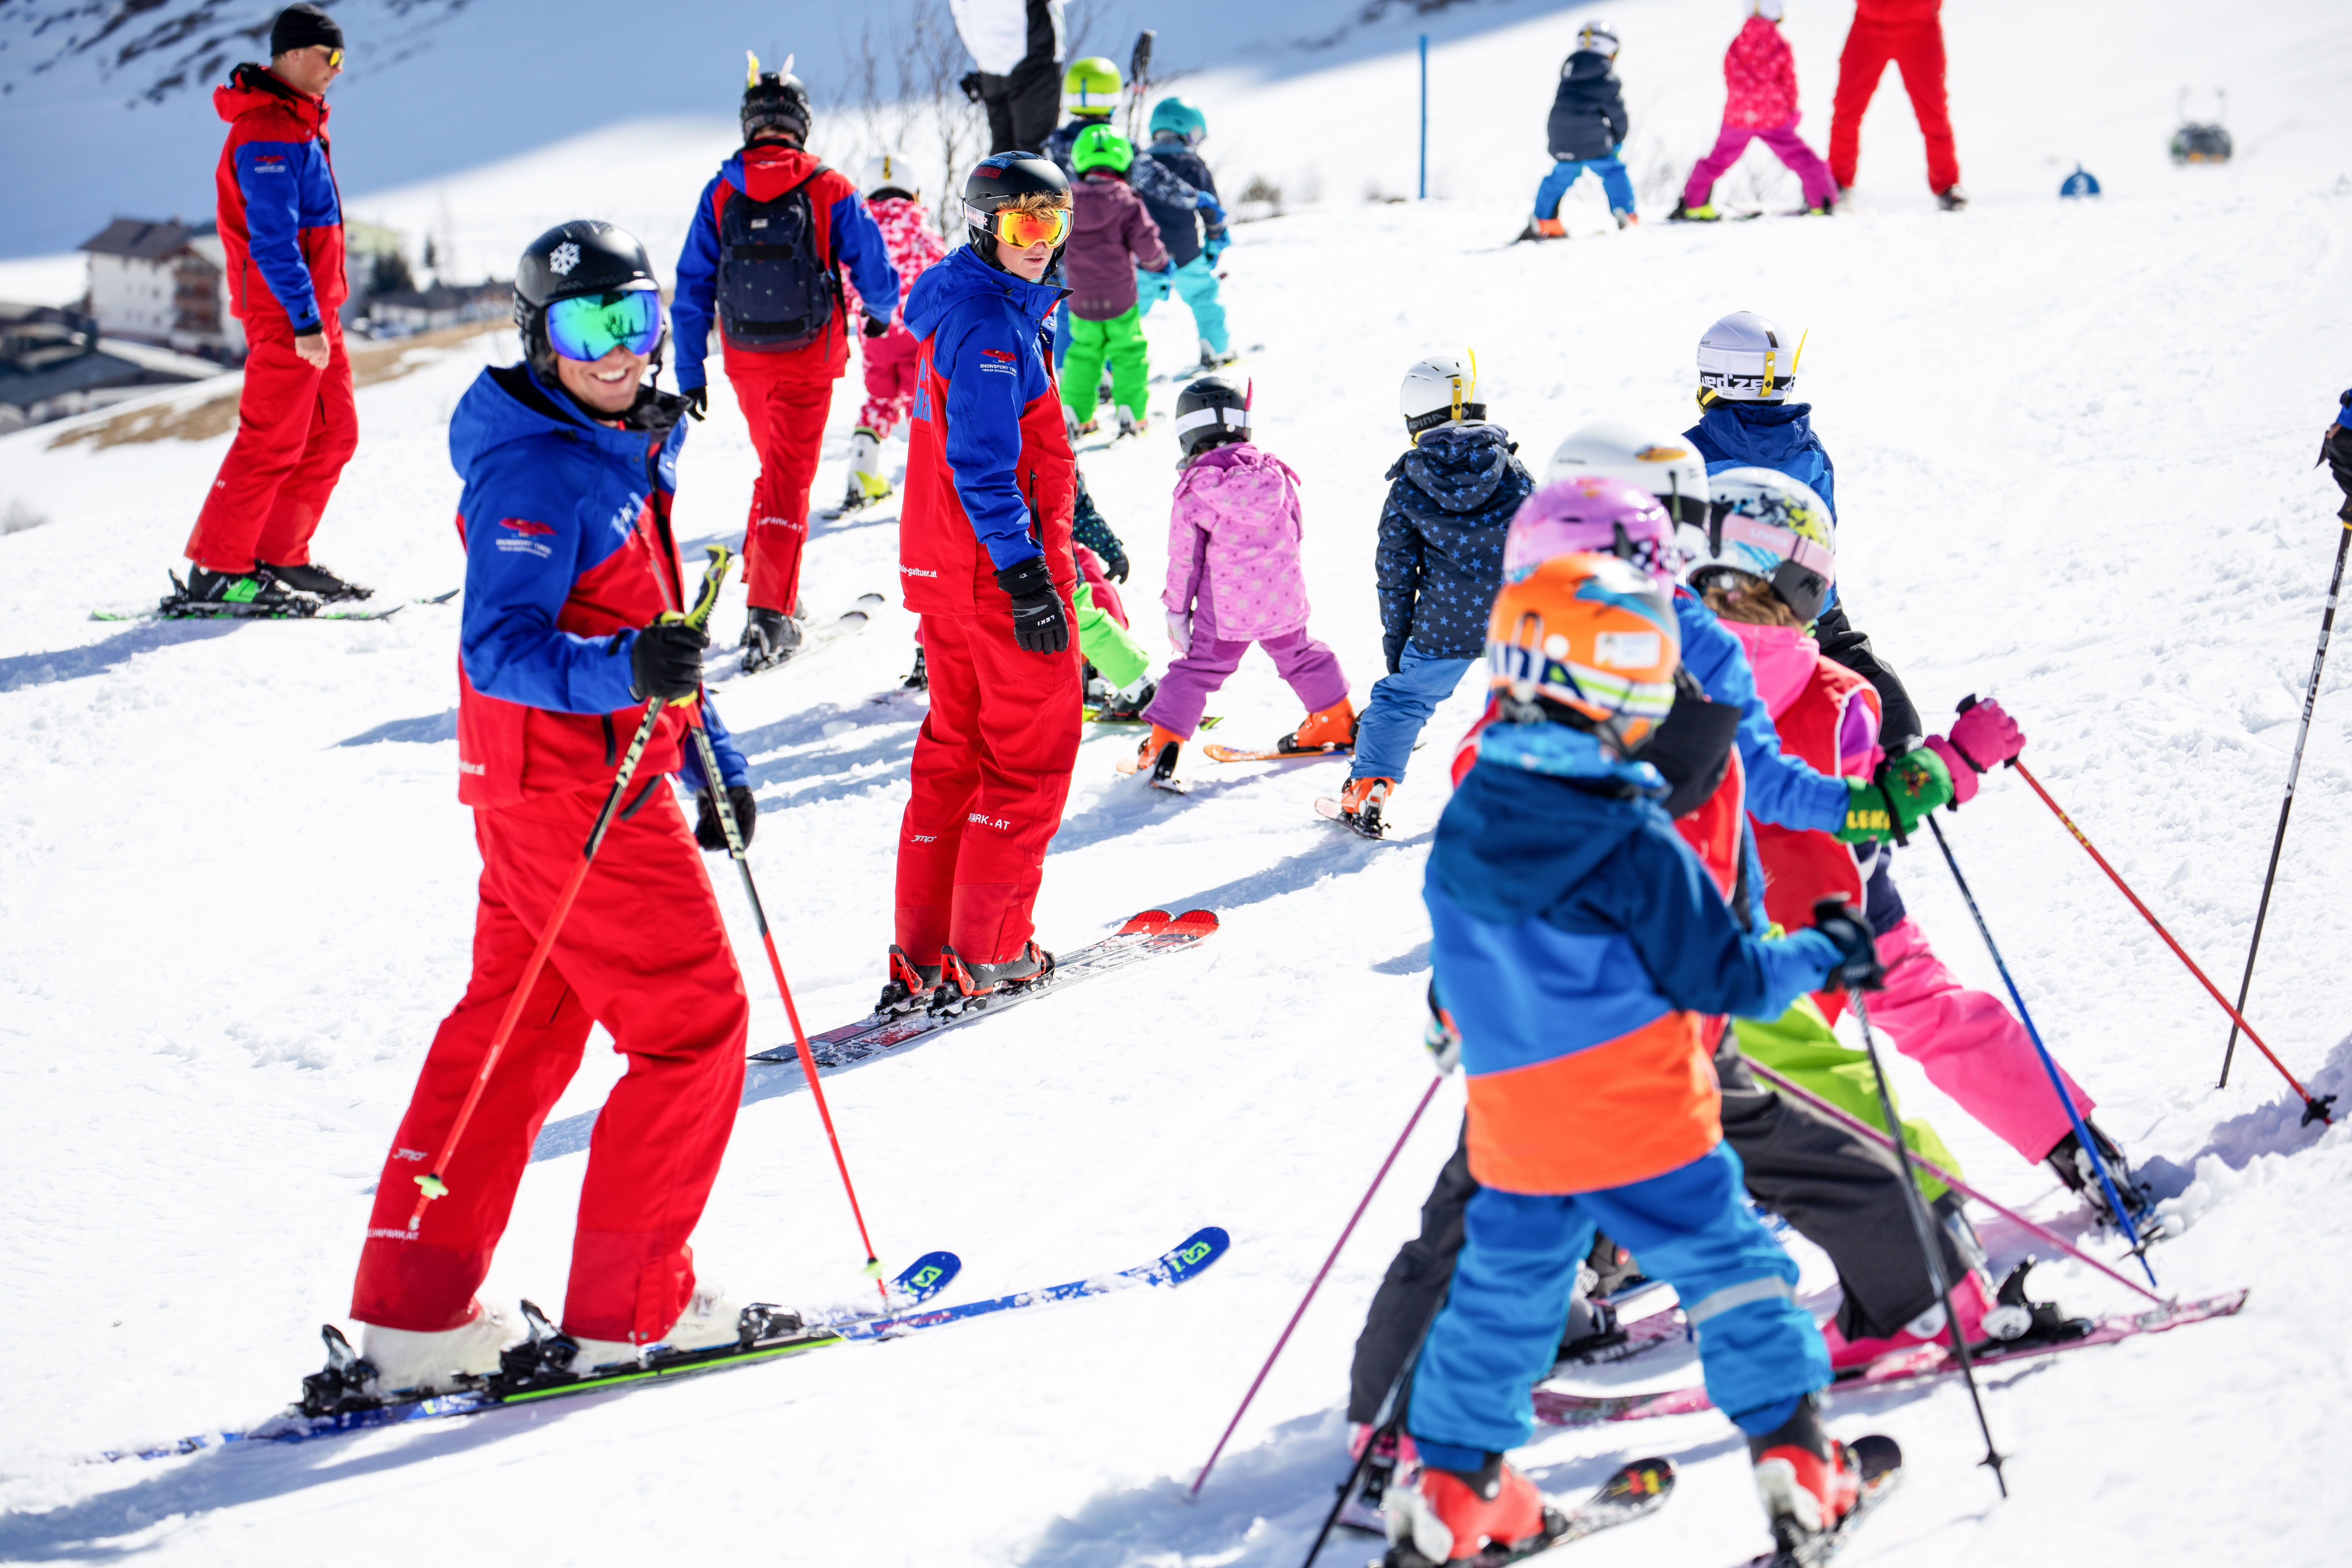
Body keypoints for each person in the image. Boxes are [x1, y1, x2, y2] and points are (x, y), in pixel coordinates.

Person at [1381, 547, 1889, 1567]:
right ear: (1610, 683)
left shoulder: (1472, 817)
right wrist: (1828, 944)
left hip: (1517, 1122)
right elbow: (1729, 978)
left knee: (1503, 1294)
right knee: (1737, 1273)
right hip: (1645, 1111)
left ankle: (1454, 1482)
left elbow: (1462, 965)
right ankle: (1799, 1462)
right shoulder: (1637, 833)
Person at [346, 222, 760, 1393]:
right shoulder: (540, 471)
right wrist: (628, 679)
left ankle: (415, 1320)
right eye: (587, 330)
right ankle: (634, 1311)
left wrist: (708, 756)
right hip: (577, 794)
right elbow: (502, 651)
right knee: (693, 1029)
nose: (616, 353)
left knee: (513, 1035)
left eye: (634, 322)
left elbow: (656, 629)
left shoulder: (617, 447)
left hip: (544, 791)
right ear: (539, 337)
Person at [1682, 467, 2149, 1228]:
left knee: (1697, 1073)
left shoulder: (1658, 671)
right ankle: (2081, 1151)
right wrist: (1957, 762)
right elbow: (1882, 805)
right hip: (1855, 913)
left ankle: (1617, 1250)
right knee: (1941, 1017)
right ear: (1805, 586)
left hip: (1720, 929)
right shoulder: (1841, 695)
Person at [884, 153, 1081, 1010]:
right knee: (1028, 759)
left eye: (1054, 221)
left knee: (954, 758)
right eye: (1024, 223)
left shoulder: (970, 305)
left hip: (949, 572)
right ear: (984, 224)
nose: (1041, 242)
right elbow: (983, 464)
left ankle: (926, 955)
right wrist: (1027, 573)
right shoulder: (993, 325)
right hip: (991, 576)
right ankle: (991, 952)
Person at [671, 56, 898, 673]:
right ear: (801, 123)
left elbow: (691, 285)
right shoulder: (828, 186)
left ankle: (770, 586)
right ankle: (770, 617)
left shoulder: (721, 190)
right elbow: (874, 269)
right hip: (808, 357)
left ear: (751, 124)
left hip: (745, 361)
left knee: (775, 469)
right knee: (787, 482)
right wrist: (879, 312)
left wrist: (691, 370)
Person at [176, 3, 365, 615]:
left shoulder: (300, 122)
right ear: (291, 54)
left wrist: (320, 316)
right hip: (288, 316)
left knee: (334, 435)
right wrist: (305, 321)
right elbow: (272, 240)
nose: (337, 69)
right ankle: (218, 571)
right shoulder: (266, 131)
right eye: (328, 56)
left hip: (316, 312)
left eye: (342, 58)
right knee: (272, 442)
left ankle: (281, 553)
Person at [1340, 355, 1534, 838]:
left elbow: (1396, 571)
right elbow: (1544, 536)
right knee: (1526, 697)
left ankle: (1371, 787)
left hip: (1445, 623)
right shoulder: (1511, 469)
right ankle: (1525, 791)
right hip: (1515, 617)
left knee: (1403, 698)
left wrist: (1398, 636)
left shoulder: (1409, 484)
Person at [1126, 377, 1351, 787]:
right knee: (1301, 654)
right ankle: (1336, 719)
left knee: (1198, 670)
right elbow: (1297, 530)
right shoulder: (1275, 475)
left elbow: (1185, 561)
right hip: (1282, 595)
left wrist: (1178, 612)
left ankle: (1164, 745)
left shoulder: (1198, 488)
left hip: (1226, 608)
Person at [838, 150, 950, 516]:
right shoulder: (922, 232)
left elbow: (844, 284)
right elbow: (948, 277)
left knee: (880, 400)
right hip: (921, 338)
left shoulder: (856, 235)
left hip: (877, 337)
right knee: (933, 407)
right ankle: (943, 484)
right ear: (912, 191)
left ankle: (861, 472)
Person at [1672, 0, 1837, 221]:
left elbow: (1729, 75)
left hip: (1738, 116)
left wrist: (1743, 104)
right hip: (1773, 117)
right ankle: (1821, 203)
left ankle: (1693, 205)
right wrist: (1792, 109)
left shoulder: (1737, 43)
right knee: (1800, 157)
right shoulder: (1779, 44)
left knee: (1718, 160)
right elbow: (1789, 81)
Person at [1060, 126, 1173, 438]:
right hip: (1121, 298)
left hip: (1080, 300)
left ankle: (1077, 414)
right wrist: (1160, 265)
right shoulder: (1126, 201)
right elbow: (1147, 243)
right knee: (1128, 353)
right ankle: (1132, 413)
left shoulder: (1066, 203)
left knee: (1083, 354)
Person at [1828, 0, 1965, 210]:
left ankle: (1948, 187)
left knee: (1934, 113)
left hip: (1920, 28)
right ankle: (1837, 184)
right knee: (1846, 111)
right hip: (1868, 26)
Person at [1136, 96, 1236, 375]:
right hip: (1186, 251)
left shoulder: (1140, 165)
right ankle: (1216, 350)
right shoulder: (1192, 164)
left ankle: (1111, 371)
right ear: (1185, 131)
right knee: (1204, 295)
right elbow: (1211, 208)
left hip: (1147, 254)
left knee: (1130, 313)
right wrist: (1216, 240)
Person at [1520, 20, 1634, 243]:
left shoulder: (1570, 71)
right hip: (1592, 137)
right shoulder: (1607, 77)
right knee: (1613, 171)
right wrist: (1619, 138)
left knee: (1561, 174)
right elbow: (1617, 114)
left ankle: (1544, 221)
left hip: (1560, 132)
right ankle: (1626, 215)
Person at [951, 0, 1067, 155]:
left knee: (1001, 160)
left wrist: (981, 56)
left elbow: (959, 10)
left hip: (990, 62)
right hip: (1033, 59)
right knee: (1035, 159)